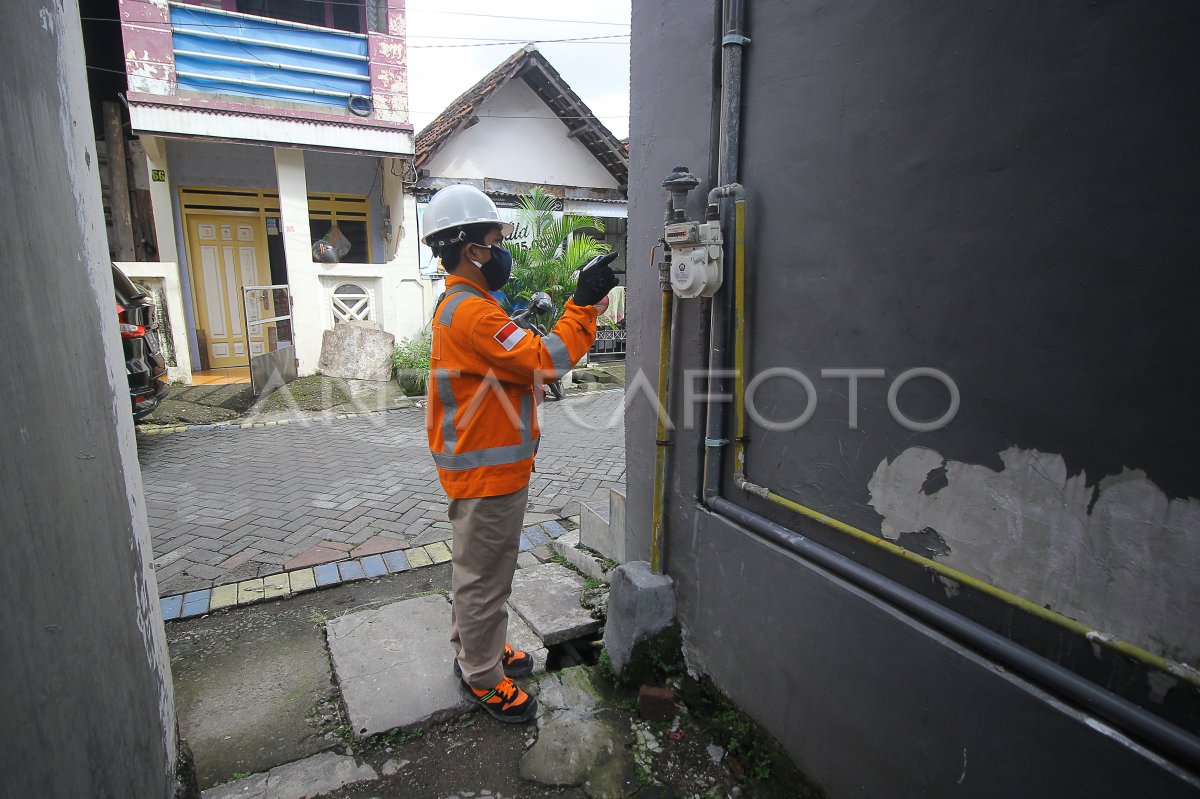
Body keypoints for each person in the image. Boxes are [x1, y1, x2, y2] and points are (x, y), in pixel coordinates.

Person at [421, 185, 618, 723]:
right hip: (486, 469)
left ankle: (475, 644)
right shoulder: (474, 314)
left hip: (484, 463)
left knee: (479, 568)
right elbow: (543, 360)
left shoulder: (467, 304)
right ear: (469, 249)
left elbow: (509, 371)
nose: (501, 249)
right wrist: (581, 307)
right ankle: (483, 675)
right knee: (485, 575)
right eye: (494, 240)